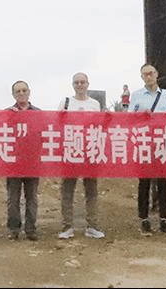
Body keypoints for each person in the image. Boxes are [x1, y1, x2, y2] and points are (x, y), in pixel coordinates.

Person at [129, 62, 166, 235]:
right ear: (142, 77)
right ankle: (144, 220)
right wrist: (142, 116)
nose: (149, 76)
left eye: (151, 73)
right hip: (144, 143)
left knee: (164, 183)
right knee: (144, 184)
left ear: (156, 74)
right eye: (145, 74)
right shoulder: (136, 95)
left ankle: (164, 220)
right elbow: (128, 118)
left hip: (161, 143)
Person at [56, 72, 105, 240]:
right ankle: (67, 226)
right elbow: (58, 124)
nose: (80, 85)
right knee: (67, 191)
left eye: (82, 82)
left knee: (91, 191)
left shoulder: (95, 104)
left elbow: (99, 126)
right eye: (77, 82)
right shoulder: (66, 102)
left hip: (90, 151)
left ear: (88, 84)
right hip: (70, 151)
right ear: (73, 85)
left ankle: (92, 226)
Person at [6, 80, 41, 241]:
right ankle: (14, 229)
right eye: (18, 91)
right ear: (13, 94)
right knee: (13, 198)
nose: (21, 94)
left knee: (31, 197)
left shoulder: (38, 113)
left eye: (24, 90)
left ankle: (31, 229)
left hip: (32, 162)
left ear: (29, 92)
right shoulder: (7, 113)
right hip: (13, 163)